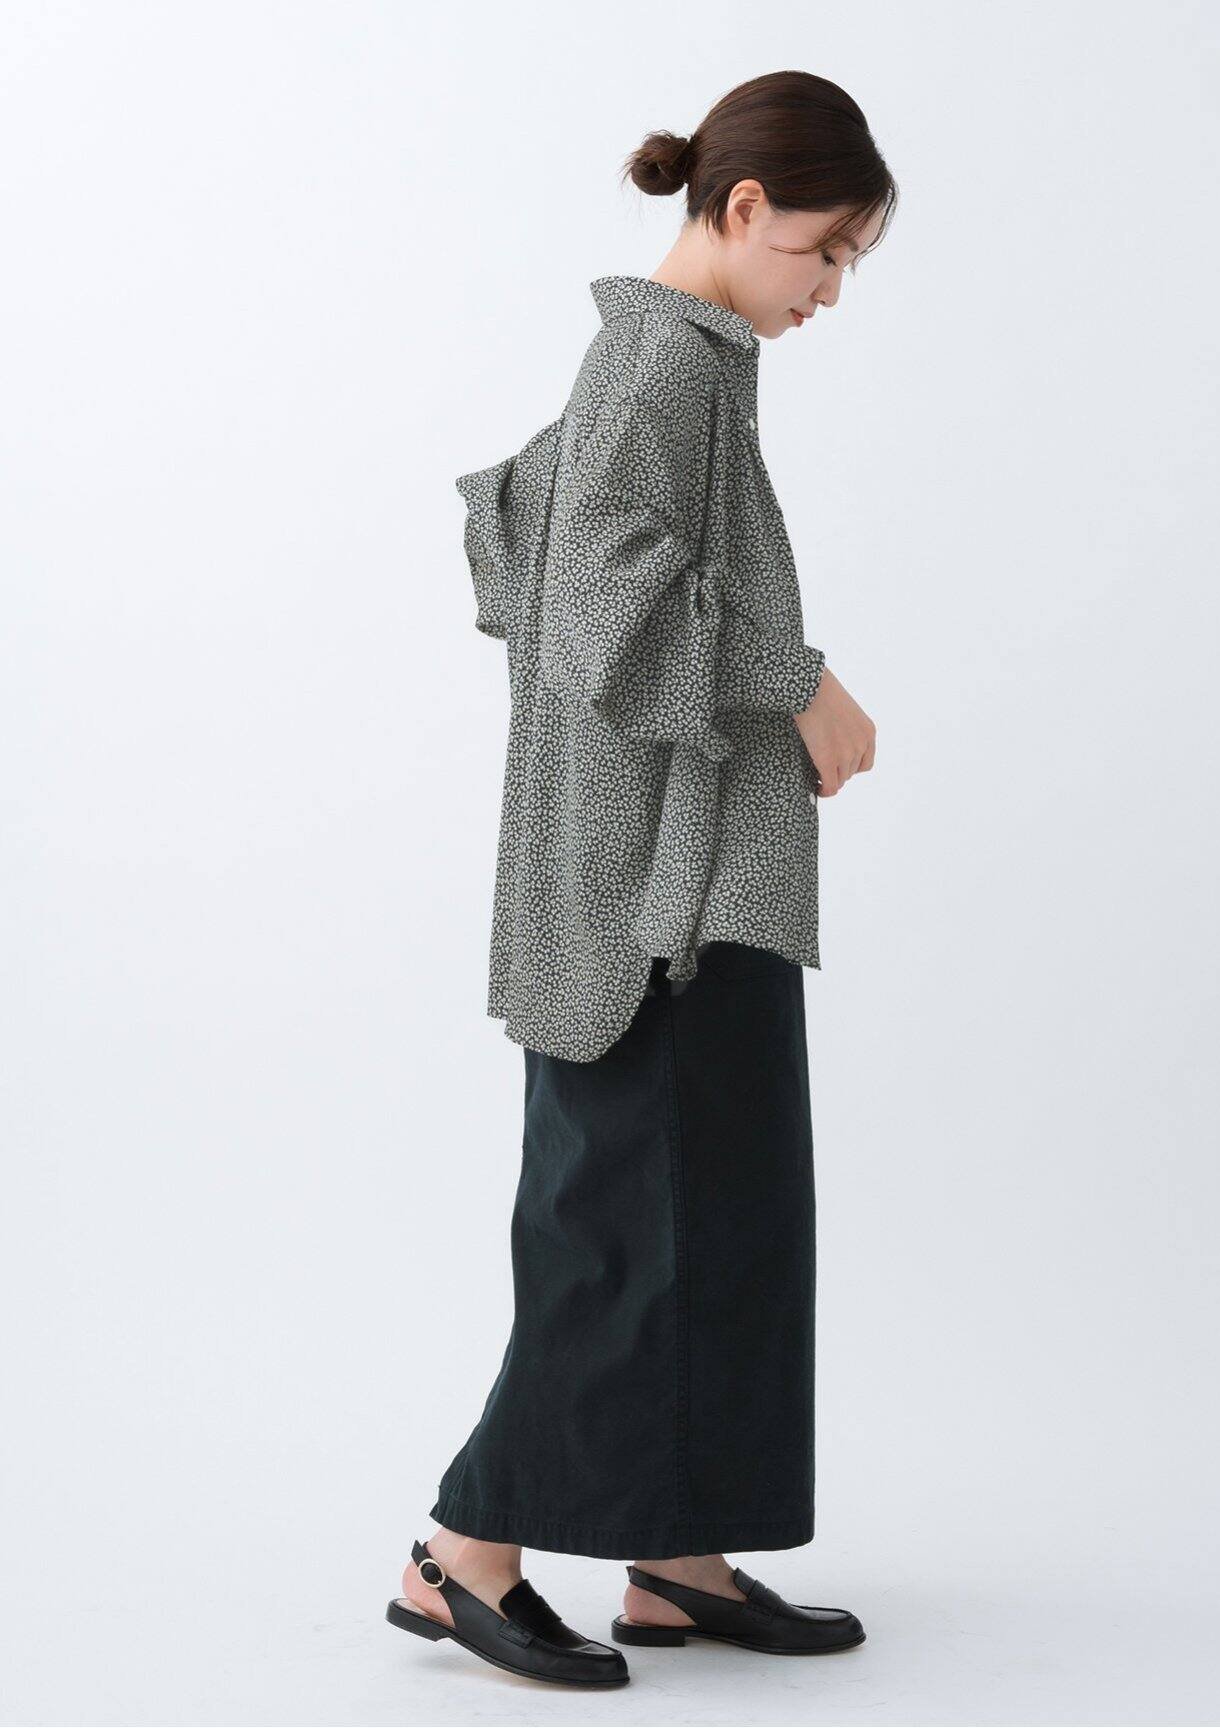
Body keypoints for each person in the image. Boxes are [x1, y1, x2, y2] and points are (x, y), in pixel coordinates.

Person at [386, 69, 893, 1689]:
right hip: (650, 895)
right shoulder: (661, 360)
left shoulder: (689, 359)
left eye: (850, 262)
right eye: (823, 250)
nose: (831, 290)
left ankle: (677, 1557)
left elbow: (540, 537)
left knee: (725, 1215)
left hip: (695, 870)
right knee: (626, 1228)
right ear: (742, 209)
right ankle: (463, 1555)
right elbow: (601, 598)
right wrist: (799, 682)